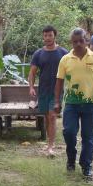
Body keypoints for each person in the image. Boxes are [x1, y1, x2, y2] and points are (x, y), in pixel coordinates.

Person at [54, 29, 93, 178]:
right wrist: (57, 102)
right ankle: (71, 159)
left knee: (88, 137)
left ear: (87, 41)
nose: (78, 44)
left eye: (81, 40)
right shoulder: (65, 60)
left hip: (91, 103)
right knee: (69, 132)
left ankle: (86, 166)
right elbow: (59, 82)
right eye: (75, 41)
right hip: (71, 104)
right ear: (71, 42)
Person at [28, 26, 68, 156]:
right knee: (47, 117)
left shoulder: (63, 53)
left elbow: (72, 69)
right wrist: (31, 87)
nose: (47, 38)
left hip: (57, 91)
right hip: (43, 90)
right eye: (45, 36)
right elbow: (32, 73)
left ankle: (51, 146)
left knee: (52, 116)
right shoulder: (38, 54)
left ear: (55, 36)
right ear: (43, 37)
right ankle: (49, 141)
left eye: (50, 35)